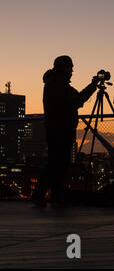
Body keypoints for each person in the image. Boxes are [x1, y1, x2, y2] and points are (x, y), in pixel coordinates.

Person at [32, 56, 98, 207]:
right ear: (63, 67)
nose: (72, 71)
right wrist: (92, 86)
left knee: (57, 164)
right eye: (70, 67)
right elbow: (77, 100)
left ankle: (53, 195)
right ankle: (42, 194)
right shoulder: (57, 84)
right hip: (61, 129)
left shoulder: (54, 83)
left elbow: (75, 99)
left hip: (57, 128)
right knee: (57, 164)